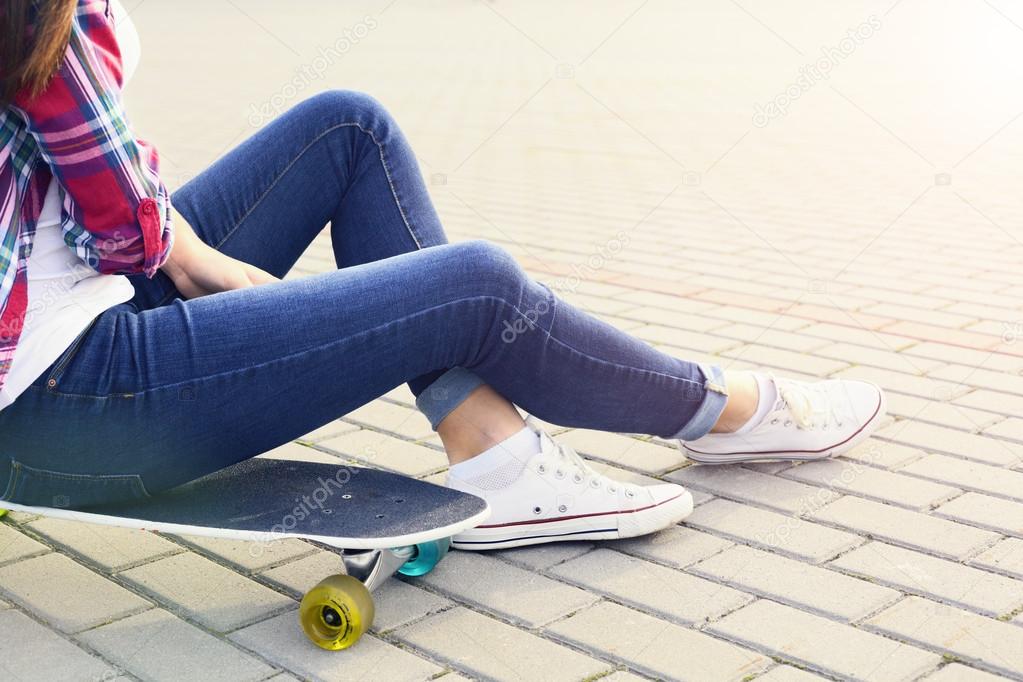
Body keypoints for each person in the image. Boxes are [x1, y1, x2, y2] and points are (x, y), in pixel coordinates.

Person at [0, 0, 885, 550]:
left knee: (346, 129)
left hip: (78, 320)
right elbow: (119, 222)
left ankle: (496, 457)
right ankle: (726, 408)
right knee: (476, 286)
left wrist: (189, 258)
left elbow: (103, 196)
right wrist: (202, 267)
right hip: (65, 413)